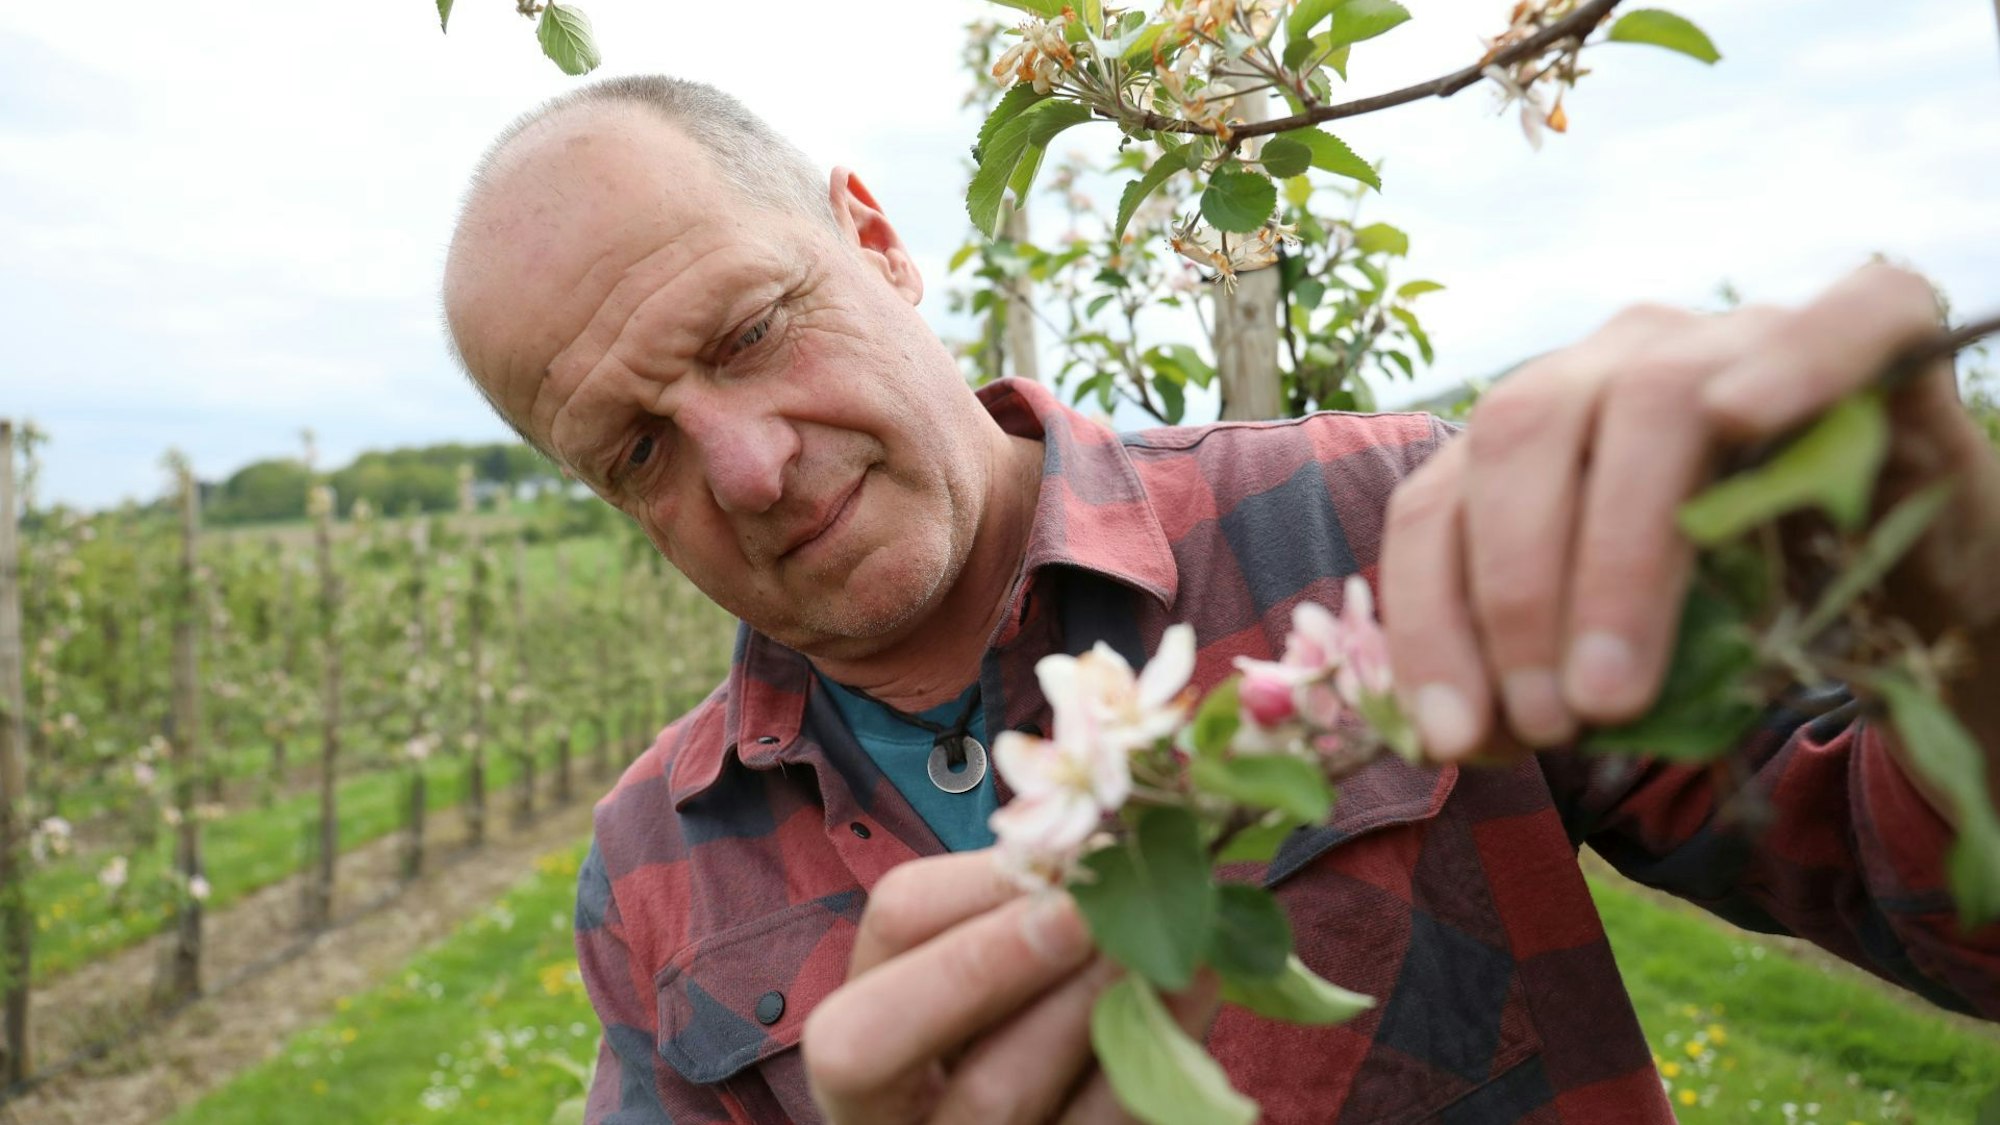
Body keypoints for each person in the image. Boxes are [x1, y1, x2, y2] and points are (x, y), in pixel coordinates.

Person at [442, 75, 2000, 1125]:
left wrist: (1966, 630)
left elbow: (1937, 915)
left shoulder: (1390, 521)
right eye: (639, 448)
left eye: (751, 329)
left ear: (876, 240)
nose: (752, 469)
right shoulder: (654, 864)